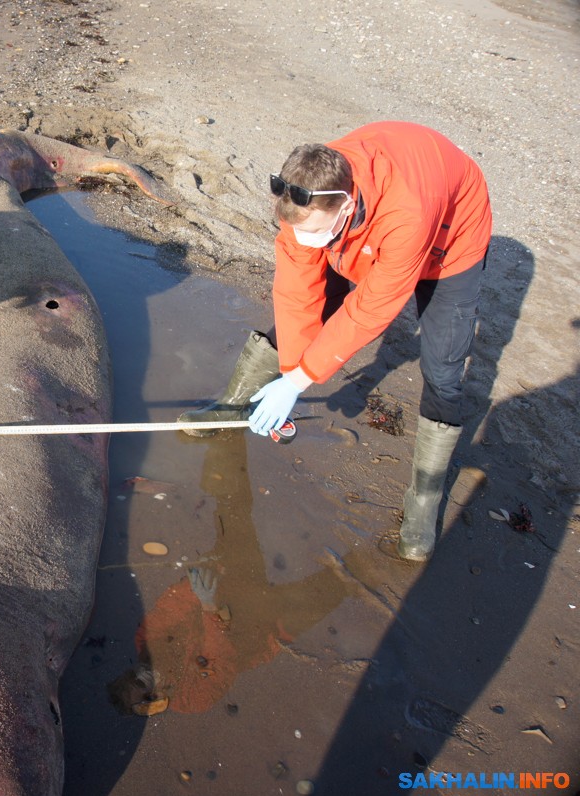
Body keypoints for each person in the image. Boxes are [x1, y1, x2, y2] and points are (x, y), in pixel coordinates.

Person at [181, 121, 491, 561]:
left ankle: (423, 502)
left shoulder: (408, 214)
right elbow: (296, 296)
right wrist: (291, 369)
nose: (303, 241)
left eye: (313, 232)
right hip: (362, 230)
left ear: (345, 208)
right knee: (312, 307)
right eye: (295, 230)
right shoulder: (306, 198)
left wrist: (298, 382)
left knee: (442, 368)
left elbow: (371, 308)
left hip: (449, 239)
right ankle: (234, 405)